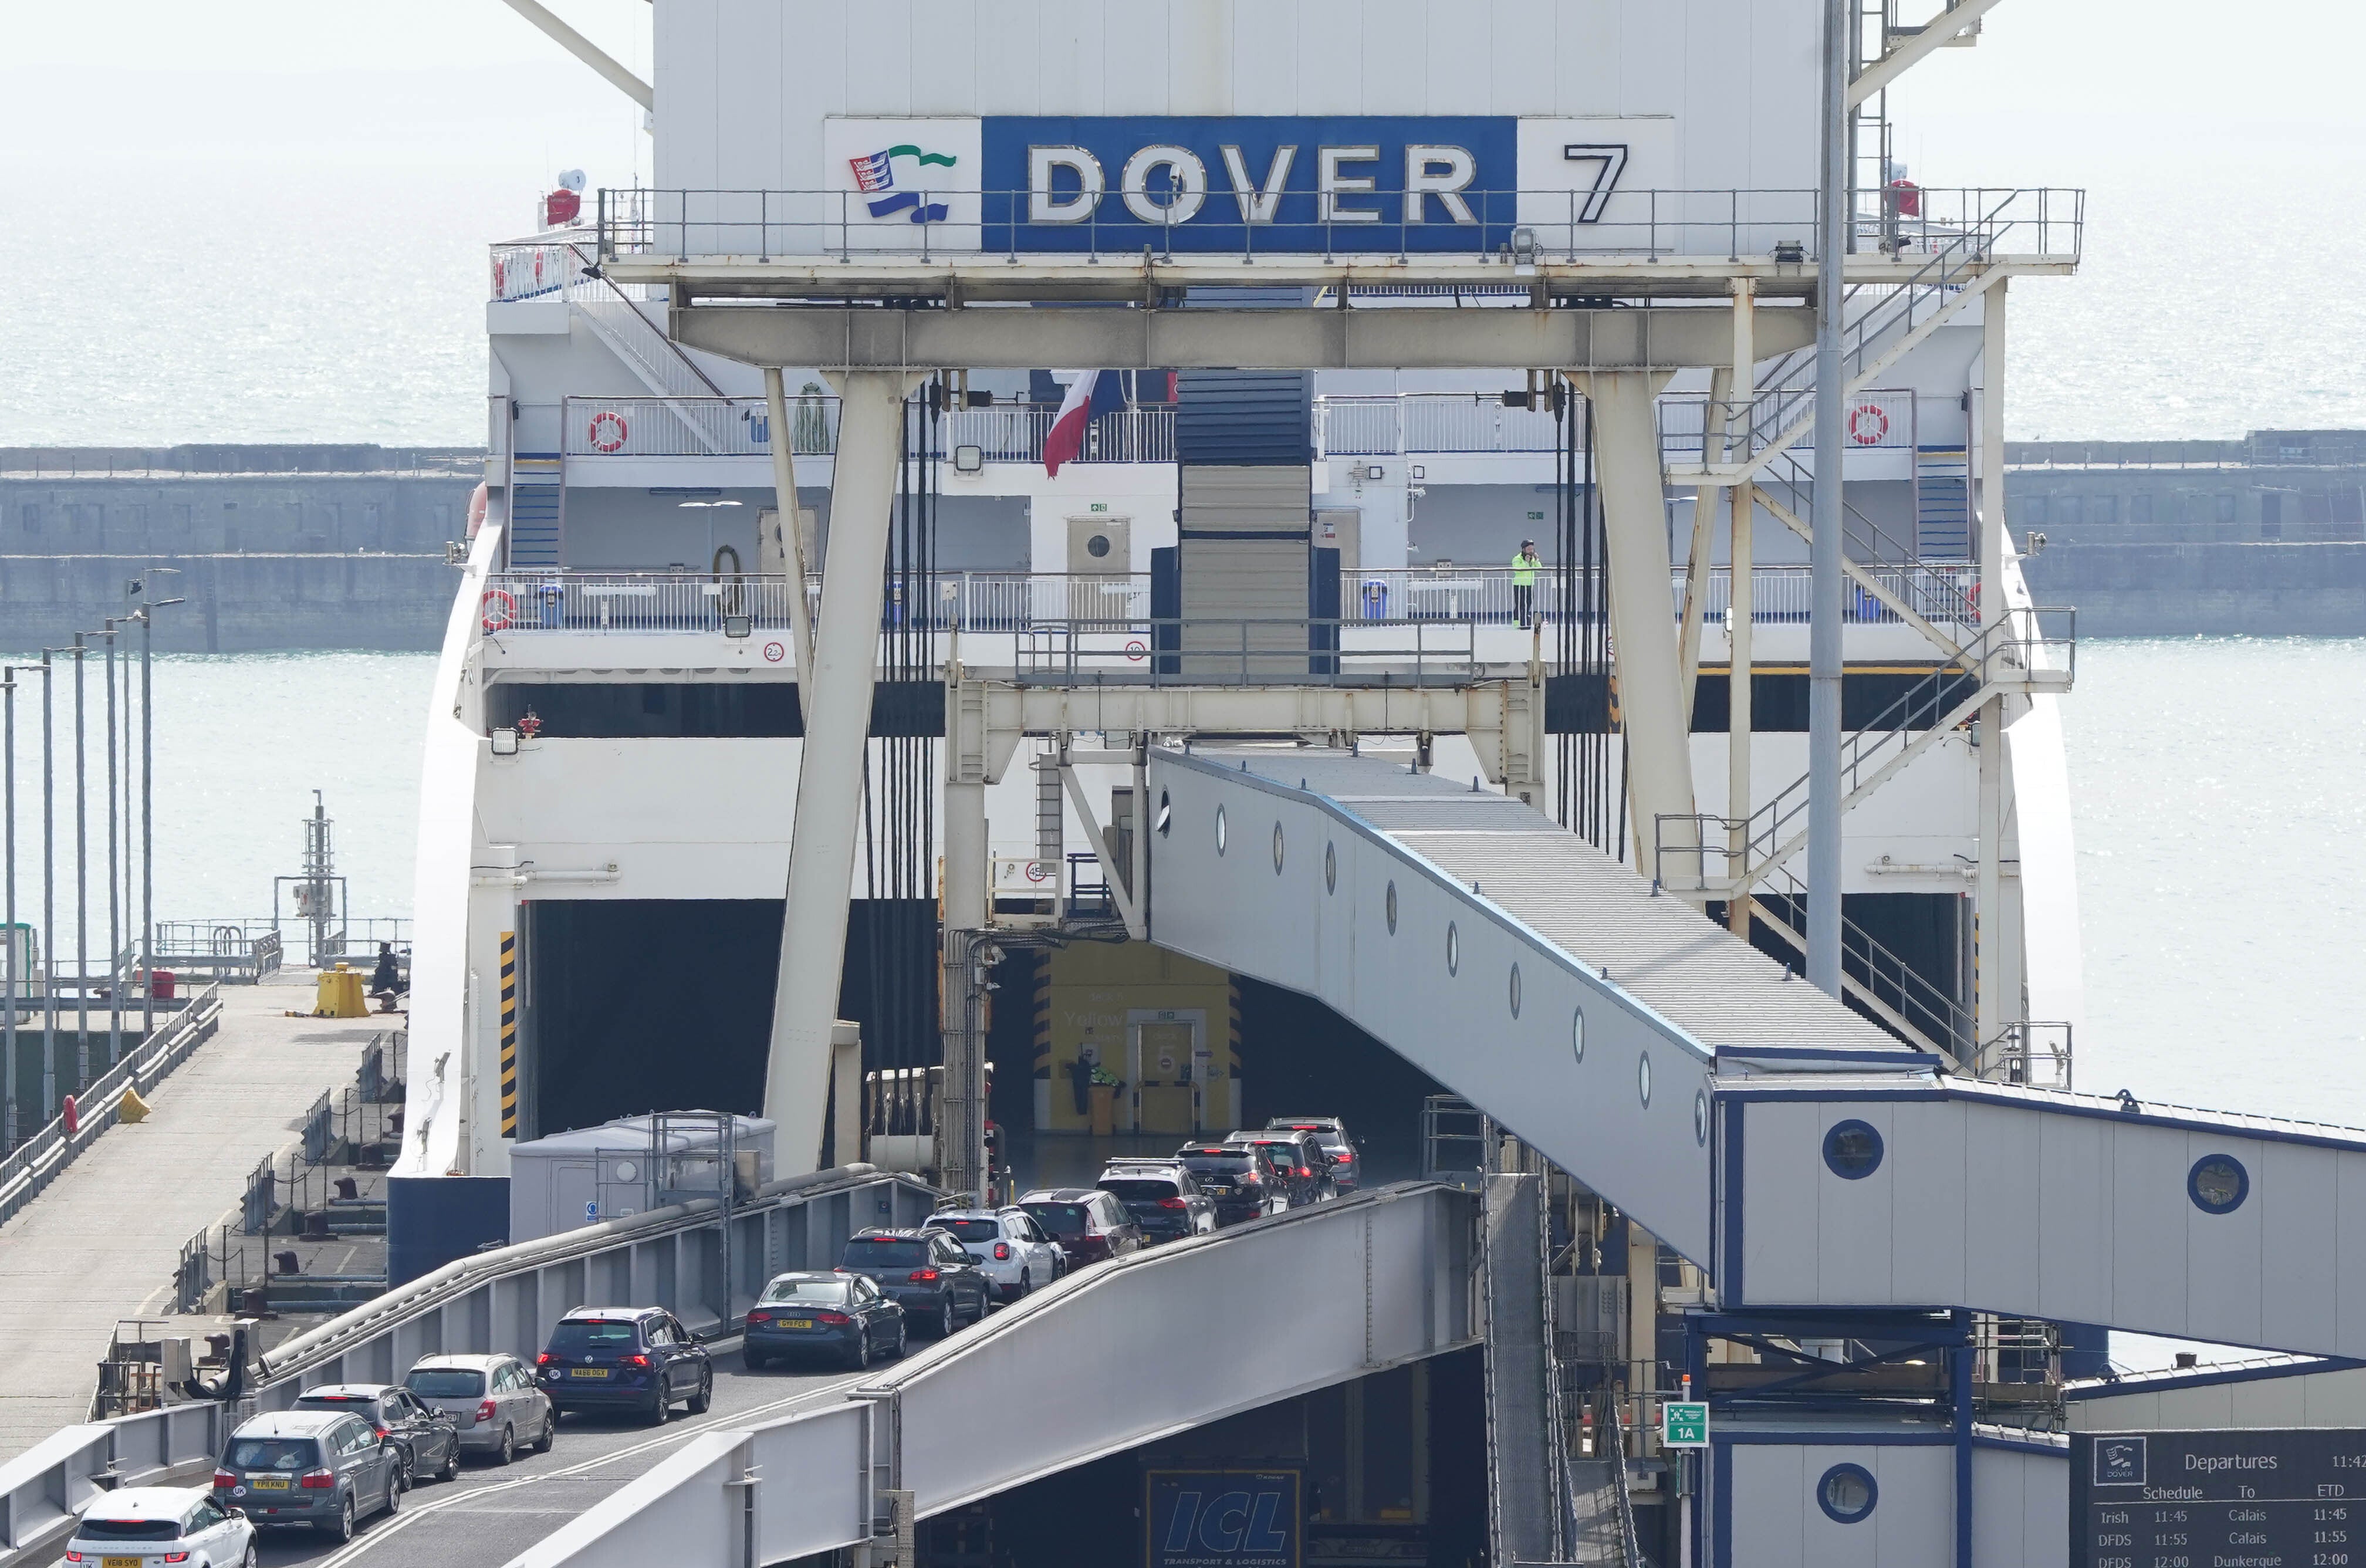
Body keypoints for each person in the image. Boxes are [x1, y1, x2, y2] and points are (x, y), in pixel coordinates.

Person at [1510, 539, 1541, 629]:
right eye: (1529, 549)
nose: (1531, 551)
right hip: (1519, 586)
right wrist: (1526, 562)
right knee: (1520, 605)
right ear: (1524, 550)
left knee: (1528, 603)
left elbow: (1539, 569)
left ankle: (1524, 622)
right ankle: (1517, 623)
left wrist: (1536, 561)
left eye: (1532, 549)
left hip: (1530, 585)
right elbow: (1517, 569)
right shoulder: (1517, 559)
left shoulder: (1533, 559)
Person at [369, 942, 405, 1012]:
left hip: (386, 979)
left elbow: (393, 970)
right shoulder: (387, 958)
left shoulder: (390, 959)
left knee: (383, 990)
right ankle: (385, 1001)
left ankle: (388, 1003)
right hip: (384, 978)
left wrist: (392, 979)